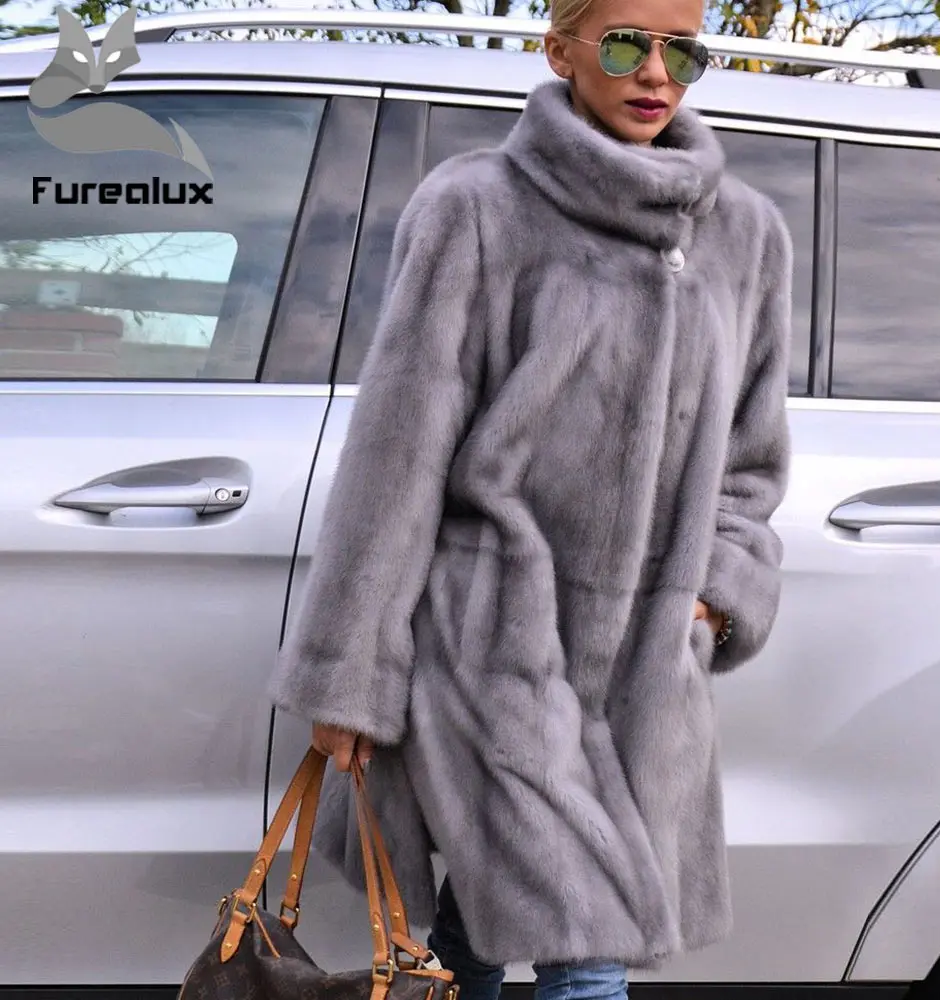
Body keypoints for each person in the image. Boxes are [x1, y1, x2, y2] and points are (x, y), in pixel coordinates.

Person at [267, 0, 793, 993]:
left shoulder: (746, 235)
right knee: (586, 944)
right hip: (491, 643)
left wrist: (709, 601)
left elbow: (752, 459)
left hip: (645, 666)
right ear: (560, 51)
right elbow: (397, 457)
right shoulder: (476, 207)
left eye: (684, 51)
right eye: (627, 44)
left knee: (483, 926)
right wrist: (349, 675)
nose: (656, 72)